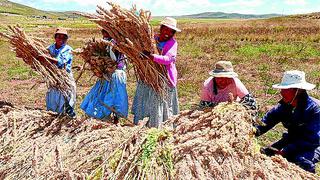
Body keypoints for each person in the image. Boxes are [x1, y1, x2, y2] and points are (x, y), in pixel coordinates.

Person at [255, 70, 320, 173]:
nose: (282, 92)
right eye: (282, 89)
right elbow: (265, 123)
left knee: (301, 161)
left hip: (312, 144)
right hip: (291, 139)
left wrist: (287, 150)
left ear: (298, 91)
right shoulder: (284, 106)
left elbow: (312, 139)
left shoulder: (314, 109)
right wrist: (250, 132)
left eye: (286, 89)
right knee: (265, 153)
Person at [132, 17, 181, 127]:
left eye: (171, 31)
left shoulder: (172, 43)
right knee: (146, 100)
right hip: (148, 76)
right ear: (161, 28)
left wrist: (151, 57)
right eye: (165, 29)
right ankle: (142, 124)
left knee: (159, 102)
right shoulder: (153, 38)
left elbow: (169, 60)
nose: (167, 33)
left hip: (163, 78)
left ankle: (159, 125)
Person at [80, 29, 128, 122]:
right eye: (103, 32)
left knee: (114, 97)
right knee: (104, 95)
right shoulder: (106, 42)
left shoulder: (115, 42)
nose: (104, 33)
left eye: (106, 31)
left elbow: (115, 59)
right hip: (107, 74)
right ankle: (104, 116)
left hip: (116, 74)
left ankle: (115, 118)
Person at [42, 28, 76, 117]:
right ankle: (54, 114)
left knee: (66, 95)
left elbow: (61, 62)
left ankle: (67, 115)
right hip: (53, 76)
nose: (61, 39)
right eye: (59, 37)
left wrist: (45, 58)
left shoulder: (68, 49)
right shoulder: (50, 48)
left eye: (64, 38)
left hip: (64, 76)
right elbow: (43, 60)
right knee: (53, 95)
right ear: (55, 37)